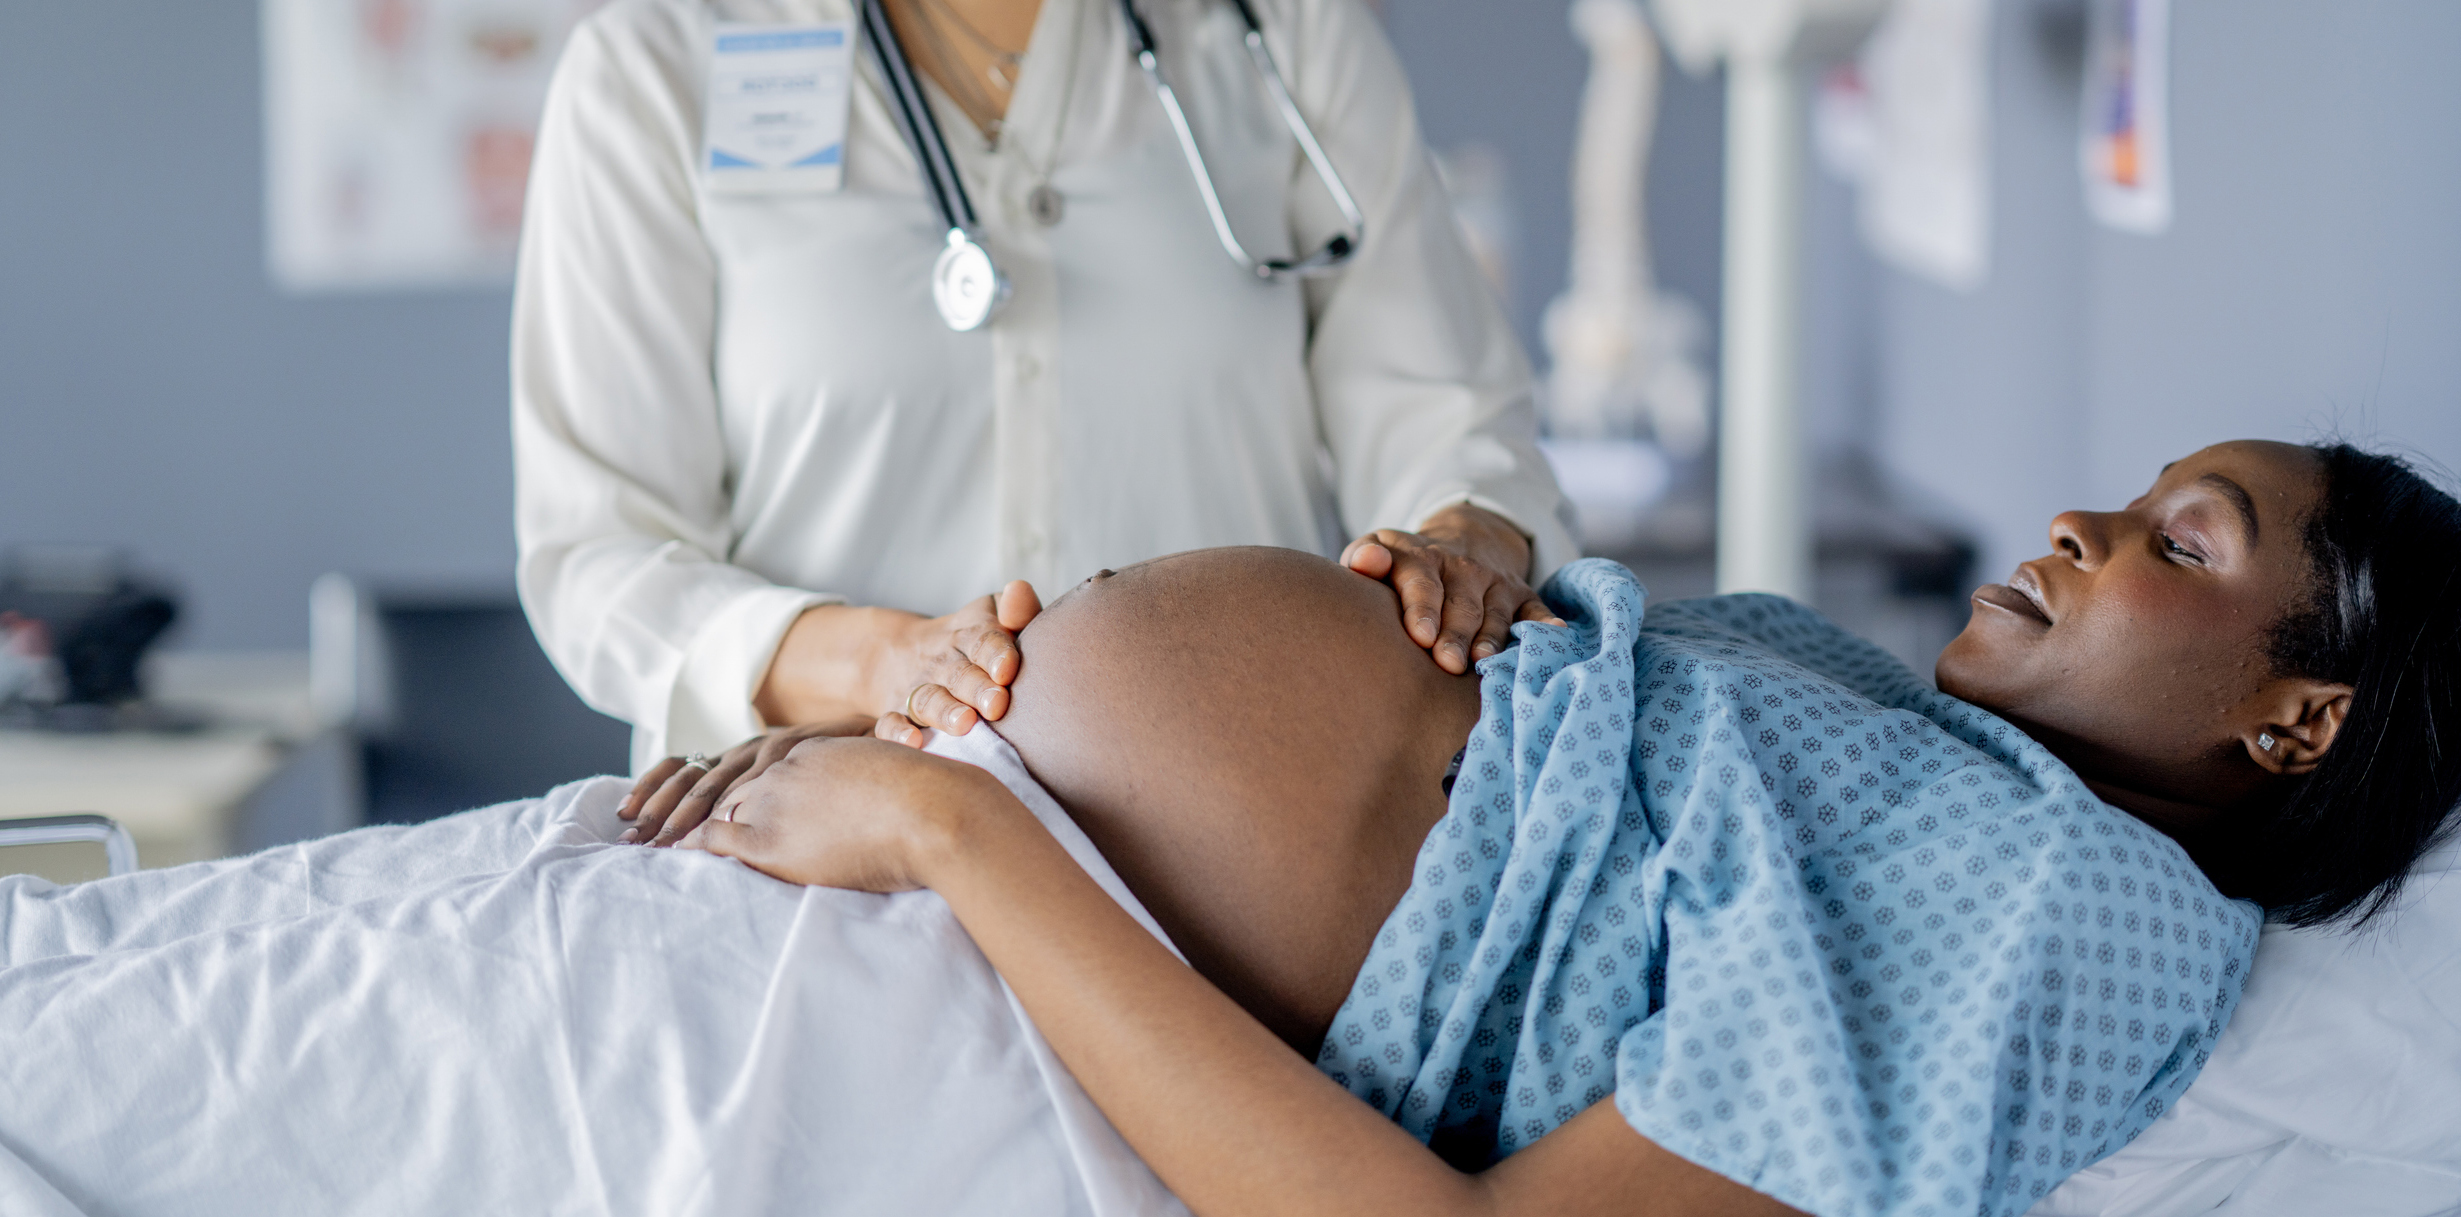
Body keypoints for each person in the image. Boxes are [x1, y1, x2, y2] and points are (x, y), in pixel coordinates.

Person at [661, 439, 2461, 1216]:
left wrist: (945, 830)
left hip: (980, 907)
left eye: (2182, 538)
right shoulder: (1877, 702)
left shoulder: (2083, 920)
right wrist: (1465, 570)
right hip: (908, 819)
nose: (2083, 516)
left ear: (2298, 720)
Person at [513, 0, 1577, 782]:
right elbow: (599, 555)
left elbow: (1450, 415)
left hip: (1252, 851)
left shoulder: (1285, 30)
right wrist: (884, 660)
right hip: (825, 865)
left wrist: (1466, 540)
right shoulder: (654, 66)